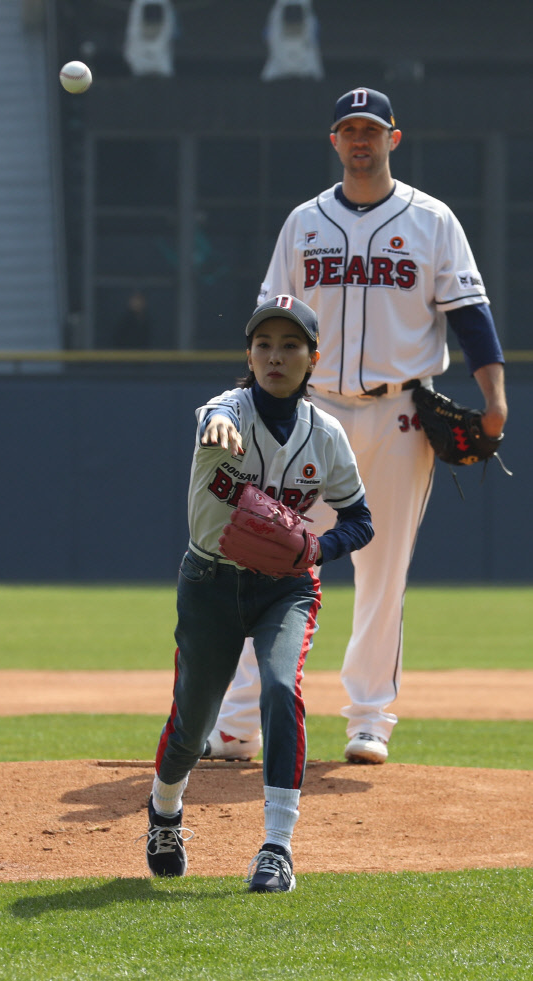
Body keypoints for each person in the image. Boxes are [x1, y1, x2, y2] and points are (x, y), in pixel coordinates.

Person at [204, 85, 508, 766]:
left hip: (402, 412)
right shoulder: (304, 222)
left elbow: (470, 315)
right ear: (334, 141)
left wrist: (495, 396)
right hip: (314, 413)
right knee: (272, 558)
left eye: (372, 129)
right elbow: (268, 321)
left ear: (393, 138)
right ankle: (238, 723)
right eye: (350, 130)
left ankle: (369, 718)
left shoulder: (432, 220)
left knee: (383, 571)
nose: (361, 140)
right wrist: (253, 398)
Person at [143, 294, 374, 892]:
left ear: (312, 358)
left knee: (279, 687)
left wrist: (316, 548)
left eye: (291, 345)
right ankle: (165, 809)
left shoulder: (327, 435)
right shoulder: (227, 410)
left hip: (287, 588)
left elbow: (360, 520)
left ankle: (277, 847)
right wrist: (215, 423)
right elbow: (211, 416)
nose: (276, 355)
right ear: (248, 353)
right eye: (264, 344)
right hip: (210, 582)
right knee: (193, 724)